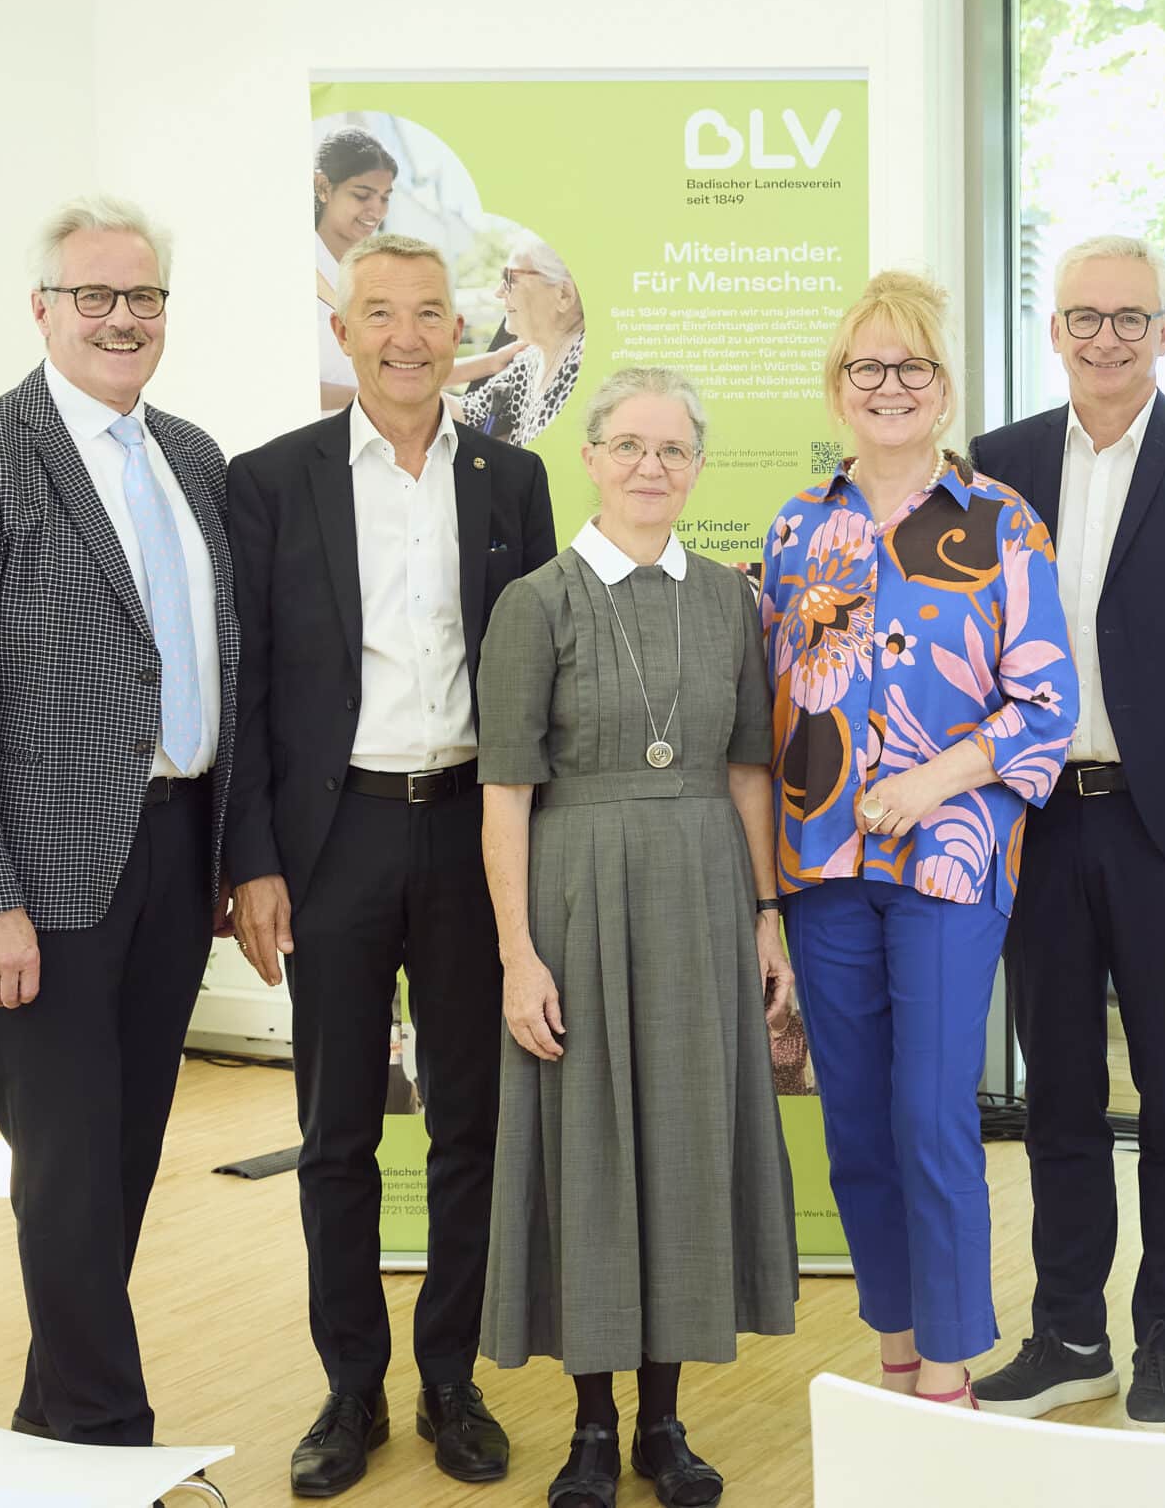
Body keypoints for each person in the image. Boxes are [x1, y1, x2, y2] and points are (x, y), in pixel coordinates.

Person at [0, 195, 233, 1452]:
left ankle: (51, 1427)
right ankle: (104, 1435)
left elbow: (219, 662)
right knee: (68, 1165)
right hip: (31, 879)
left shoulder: (193, 459)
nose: (121, 318)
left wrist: (233, 856)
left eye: (143, 296)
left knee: (119, 1158)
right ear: (41, 308)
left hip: (174, 852)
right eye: (94, 295)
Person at [227, 231, 557, 1497]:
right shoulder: (273, 480)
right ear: (345, 329)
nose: (407, 337)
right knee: (337, 1133)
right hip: (337, 839)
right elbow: (250, 686)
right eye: (381, 313)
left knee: (470, 1123)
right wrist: (252, 861)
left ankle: (450, 1379)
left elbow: (537, 681)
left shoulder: (511, 479)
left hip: (474, 831)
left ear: (456, 335)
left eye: (428, 314)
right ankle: (351, 1387)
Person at [970, 235, 1165, 1434]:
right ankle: (1067, 1337)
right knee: (1055, 1095)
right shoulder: (996, 464)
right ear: (1055, 330)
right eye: (1084, 318)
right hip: (1037, 824)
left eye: (1129, 318)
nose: (1105, 338)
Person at [477, 366, 799, 1508]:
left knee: (684, 1148)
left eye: (672, 450)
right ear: (591, 459)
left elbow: (750, 772)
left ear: (697, 466)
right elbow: (505, 792)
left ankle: (664, 1424)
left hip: (705, 892)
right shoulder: (536, 604)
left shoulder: (729, 601)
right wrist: (517, 953)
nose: (650, 467)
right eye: (628, 446)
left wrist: (767, 914)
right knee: (590, 1153)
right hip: (575, 898)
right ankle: (590, 1428)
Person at [763, 271, 1079, 1412]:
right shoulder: (797, 527)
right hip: (821, 867)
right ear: (837, 387)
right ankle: (896, 1358)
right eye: (868, 367)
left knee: (932, 1116)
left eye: (913, 367)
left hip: (948, 860)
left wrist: (926, 785)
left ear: (944, 389)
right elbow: (771, 707)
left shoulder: (1002, 522)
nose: (889, 386)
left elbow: (1048, 703)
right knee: (853, 1124)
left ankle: (949, 1379)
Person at [458, 239, 584, 446]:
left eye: (510, 278)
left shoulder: (584, 361)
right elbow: (469, 412)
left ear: (564, 294)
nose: (498, 292)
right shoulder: (530, 360)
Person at [313, 126, 399, 412]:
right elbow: (286, 381)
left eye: (385, 198)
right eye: (362, 195)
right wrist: (375, 400)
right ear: (323, 187)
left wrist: (491, 362)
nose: (377, 211)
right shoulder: (295, 269)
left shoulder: (370, 271)